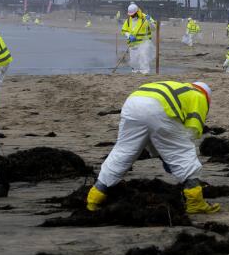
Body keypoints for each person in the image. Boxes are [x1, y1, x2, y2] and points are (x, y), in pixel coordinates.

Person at [86, 81, 220, 214]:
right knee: (183, 153)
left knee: (122, 152)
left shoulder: (179, 87)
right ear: (207, 96)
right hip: (158, 108)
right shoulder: (199, 96)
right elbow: (191, 131)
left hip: (132, 103)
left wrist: (165, 155)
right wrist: (177, 159)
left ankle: (94, 198)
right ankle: (195, 203)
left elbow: (156, 136)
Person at [121, 3, 155, 74]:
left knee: (143, 55)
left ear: (137, 12)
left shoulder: (145, 18)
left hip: (144, 42)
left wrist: (149, 21)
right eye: (130, 15)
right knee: (134, 59)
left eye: (133, 14)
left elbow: (154, 28)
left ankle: (145, 71)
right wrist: (129, 36)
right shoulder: (128, 20)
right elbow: (124, 31)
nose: (131, 16)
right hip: (133, 43)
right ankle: (135, 71)